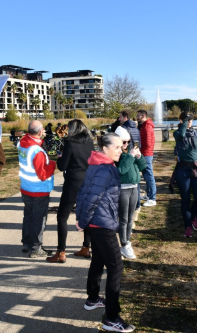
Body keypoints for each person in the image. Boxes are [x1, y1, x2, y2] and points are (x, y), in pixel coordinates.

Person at [76, 133, 135, 332]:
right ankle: (111, 317)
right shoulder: (104, 169)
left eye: (122, 147)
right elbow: (90, 196)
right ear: (105, 149)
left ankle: (93, 299)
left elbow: (84, 191)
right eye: (117, 147)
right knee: (116, 268)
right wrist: (82, 220)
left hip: (97, 223)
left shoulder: (98, 164)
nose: (121, 150)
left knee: (98, 261)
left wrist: (81, 219)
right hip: (102, 225)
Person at [46, 119, 94, 263]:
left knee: (62, 217)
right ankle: (86, 247)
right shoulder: (90, 142)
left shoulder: (70, 143)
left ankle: (61, 252)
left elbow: (62, 166)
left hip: (73, 183)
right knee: (87, 216)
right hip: (87, 182)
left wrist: (60, 157)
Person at [18, 120, 57, 257]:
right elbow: (43, 174)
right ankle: (36, 248)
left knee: (28, 216)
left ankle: (27, 243)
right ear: (40, 132)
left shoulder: (22, 144)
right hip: (38, 190)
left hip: (26, 187)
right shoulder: (37, 151)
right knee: (39, 219)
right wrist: (52, 164)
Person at [114, 127, 146, 260]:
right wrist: (131, 156)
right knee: (124, 218)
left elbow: (143, 167)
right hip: (123, 189)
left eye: (128, 142)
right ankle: (124, 244)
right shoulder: (117, 154)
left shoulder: (128, 153)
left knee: (130, 217)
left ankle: (127, 241)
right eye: (124, 142)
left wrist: (139, 157)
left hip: (134, 187)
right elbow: (121, 170)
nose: (126, 144)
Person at [173, 111, 197, 238]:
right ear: (181, 120)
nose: (189, 121)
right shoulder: (177, 133)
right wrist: (184, 122)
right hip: (183, 170)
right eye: (187, 119)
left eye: (191, 119)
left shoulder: (195, 132)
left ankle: (193, 217)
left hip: (196, 169)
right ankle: (187, 225)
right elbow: (181, 134)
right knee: (185, 199)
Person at [136, 109, 157, 207]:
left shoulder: (147, 126)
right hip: (145, 154)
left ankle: (152, 198)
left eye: (138, 115)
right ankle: (149, 195)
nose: (137, 117)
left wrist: (141, 150)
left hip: (146, 154)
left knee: (149, 176)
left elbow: (148, 143)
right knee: (146, 176)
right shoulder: (144, 125)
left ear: (143, 115)